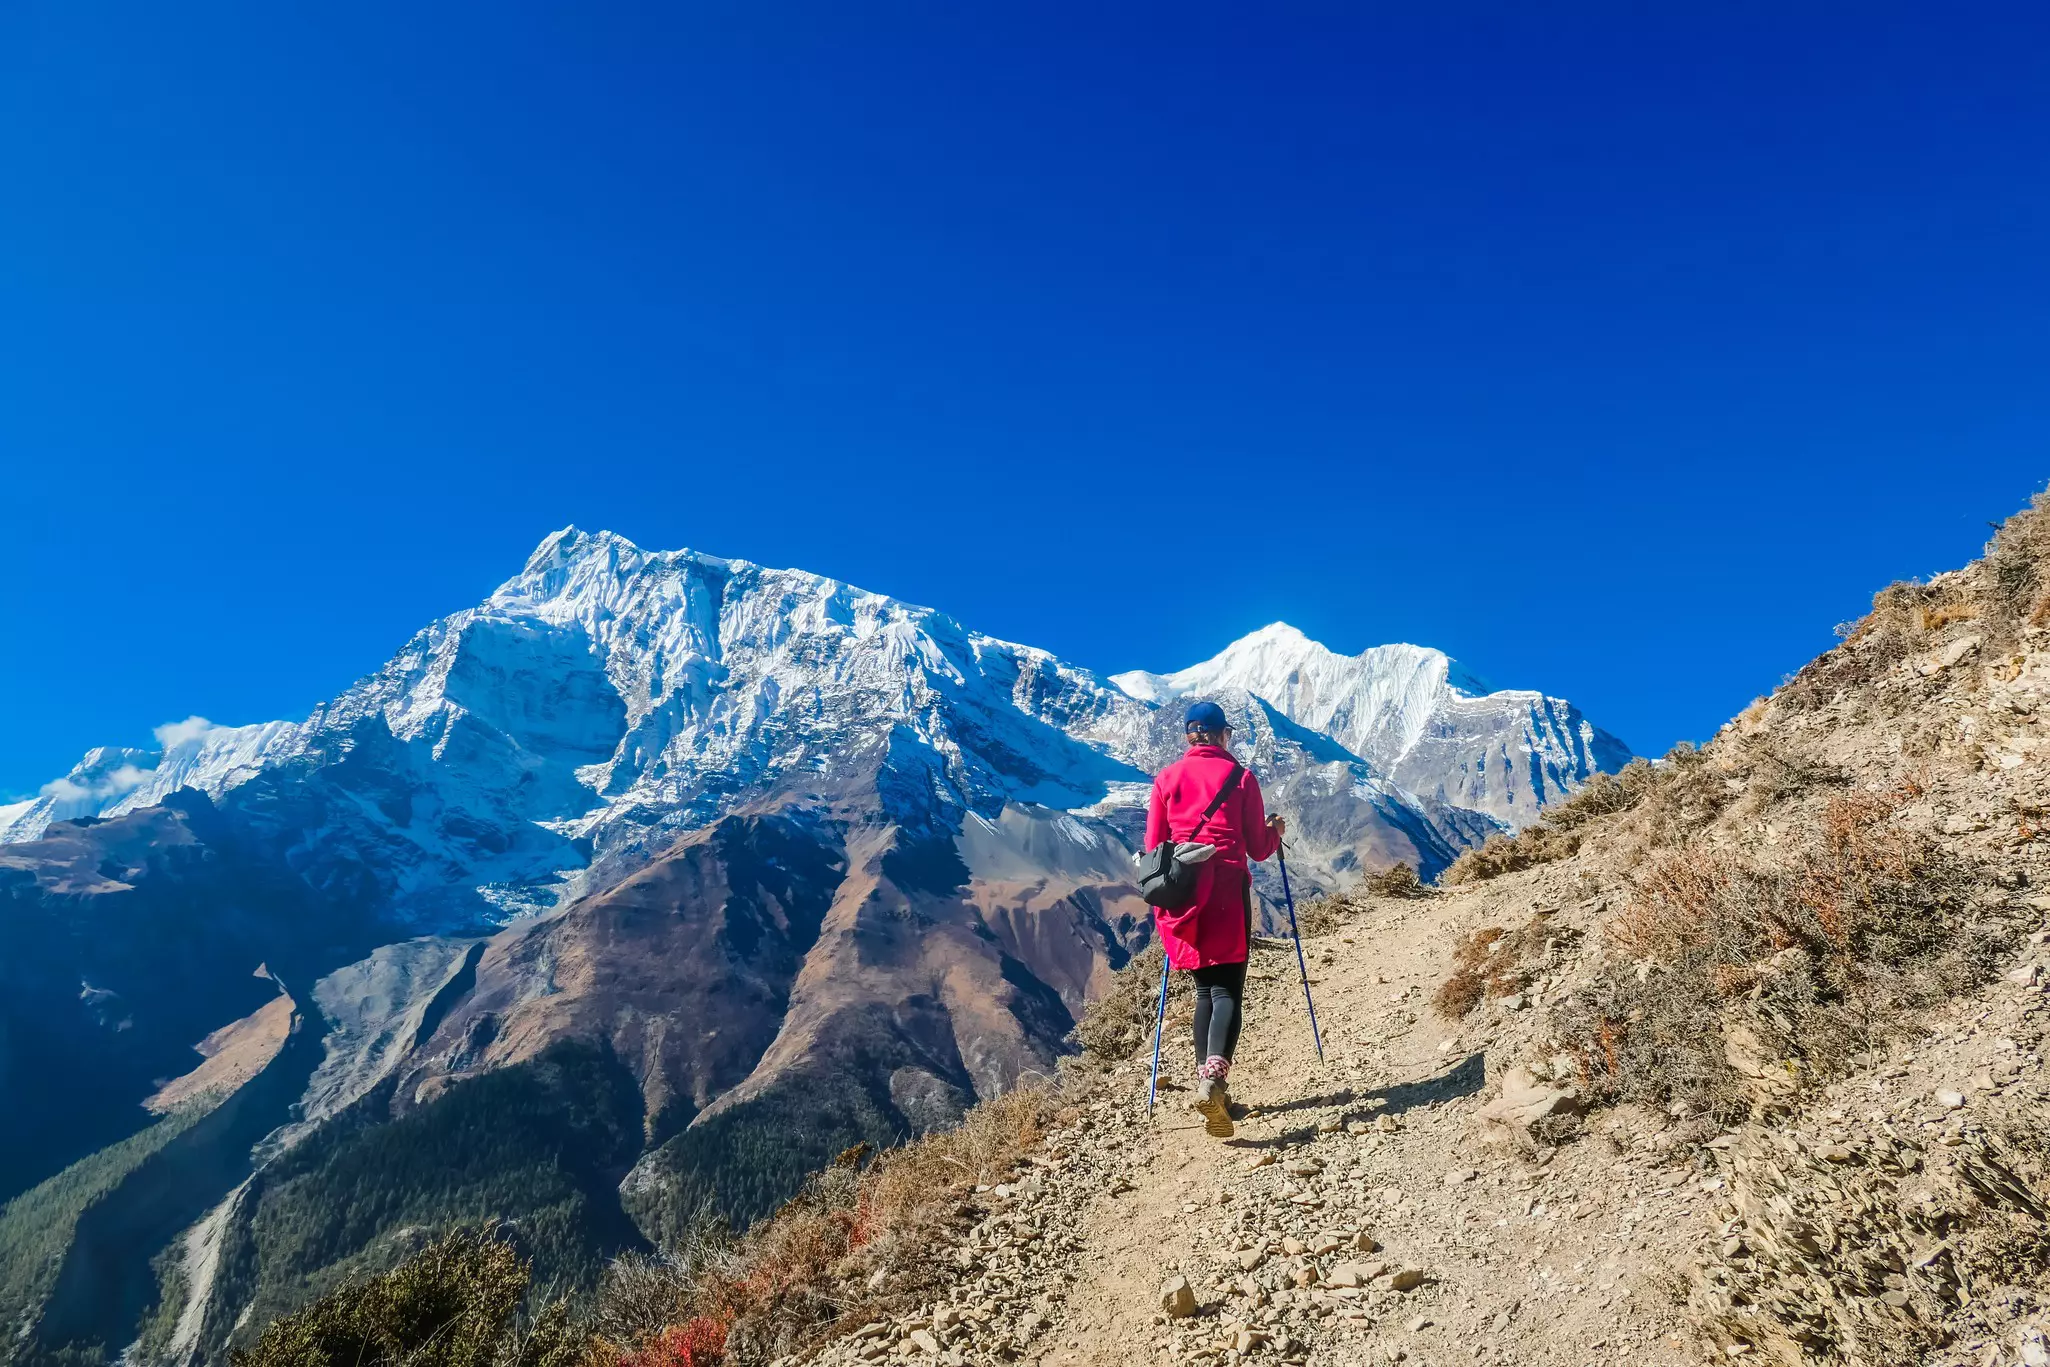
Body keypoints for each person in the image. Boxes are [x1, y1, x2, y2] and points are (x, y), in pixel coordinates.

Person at [1144, 700, 1285, 1137]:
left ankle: (1207, 1079)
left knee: (1204, 987)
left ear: (1190, 736)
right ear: (1224, 734)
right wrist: (1275, 831)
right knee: (1227, 989)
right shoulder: (1241, 778)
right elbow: (1259, 848)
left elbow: (1154, 848)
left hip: (1182, 895)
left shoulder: (1165, 779)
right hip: (1225, 889)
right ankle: (1214, 1082)